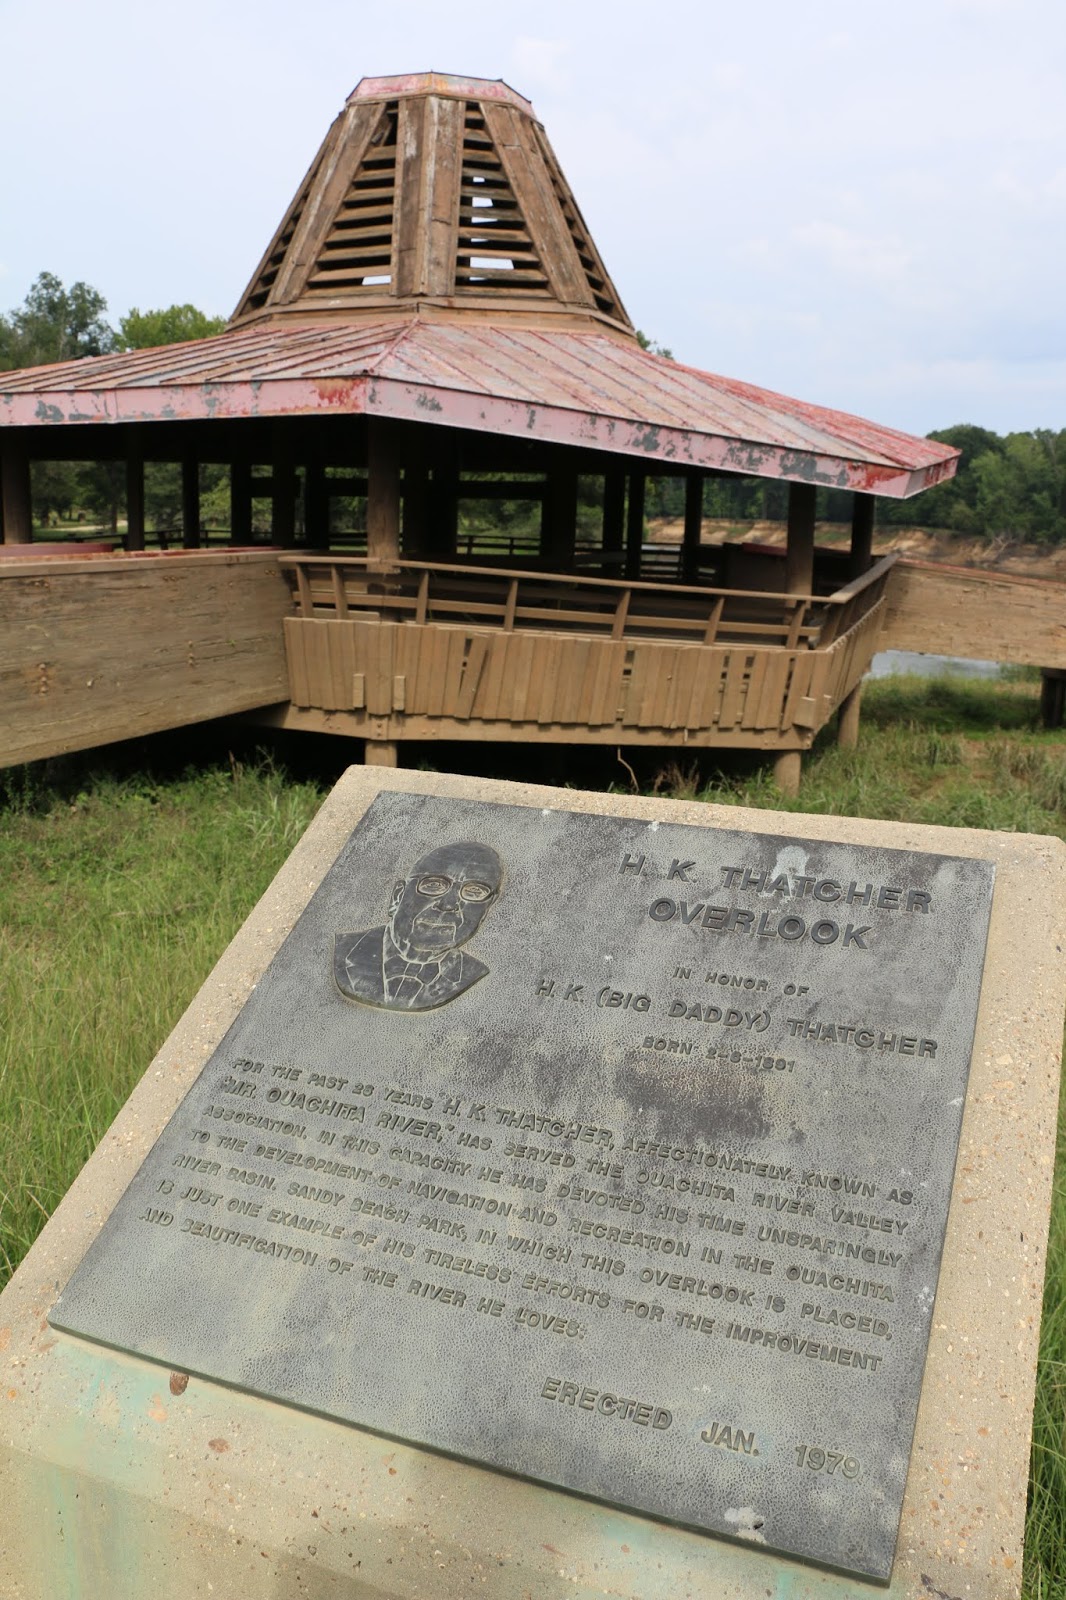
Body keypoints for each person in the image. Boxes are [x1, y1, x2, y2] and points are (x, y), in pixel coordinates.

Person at [333, 841, 502, 1012]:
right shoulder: (347, 949)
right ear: (398, 896)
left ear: (486, 909)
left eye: (473, 893)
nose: (448, 904)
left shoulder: (472, 973)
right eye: (434, 886)